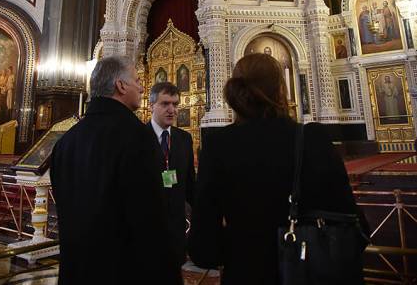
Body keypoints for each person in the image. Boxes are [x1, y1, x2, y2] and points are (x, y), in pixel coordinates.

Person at [189, 53, 365, 285]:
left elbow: (203, 247)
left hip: (247, 272)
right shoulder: (312, 138)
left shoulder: (218, 146)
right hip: (313, 269)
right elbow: (352, 217)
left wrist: (238, 249)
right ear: (281, 89)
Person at [50, 57, 182, 285]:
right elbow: (149, 221)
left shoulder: (66, 141)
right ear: (121, 86)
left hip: (76, 271)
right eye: (137, 80)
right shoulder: (138, 137)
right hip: (122, 271)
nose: (142, 87)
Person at [147, 82, 195, 269]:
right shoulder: (138, 137)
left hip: (176, 226)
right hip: (148, 225)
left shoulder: (184, 139)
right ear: (152, 105)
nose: (171, 110)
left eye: (175, 104)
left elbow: (190, 182)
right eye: (165, 104)